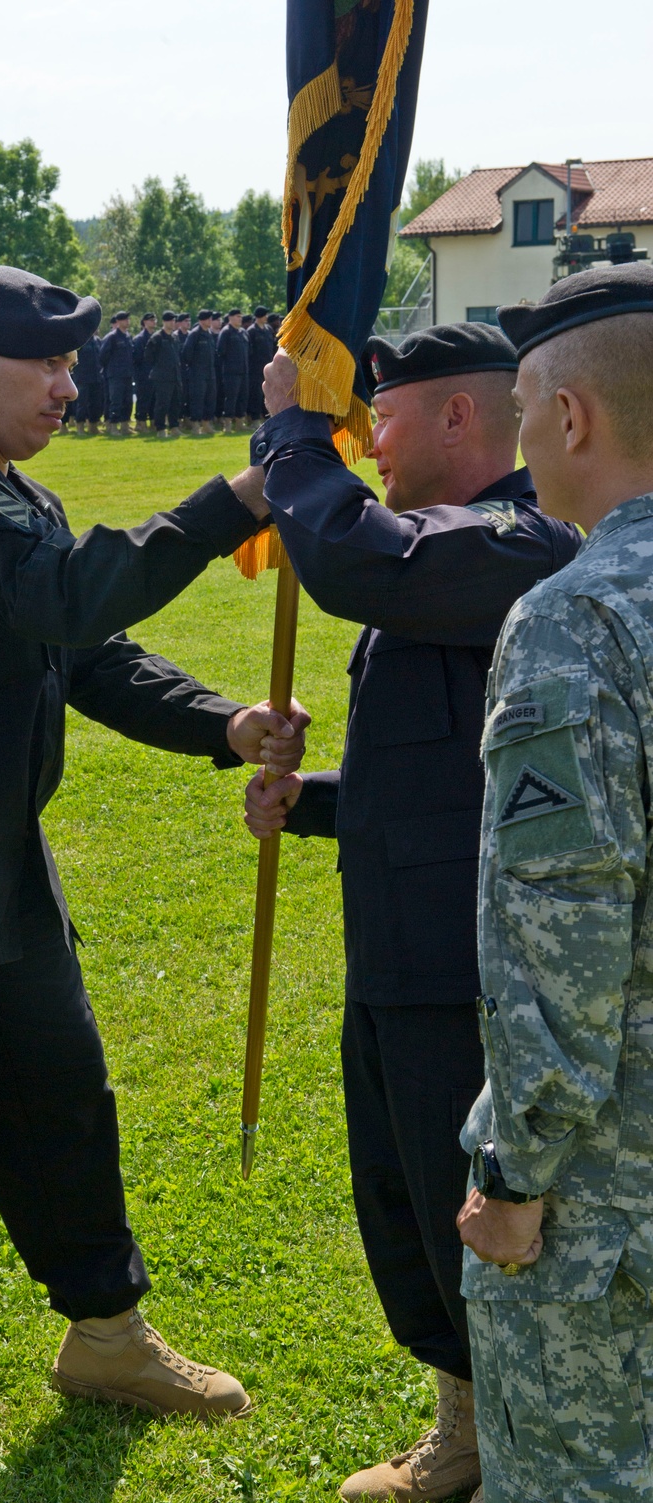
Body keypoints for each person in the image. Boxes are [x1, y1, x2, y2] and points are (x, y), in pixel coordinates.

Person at [0, 264, 310, 1420]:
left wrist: (224, 722)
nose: (71, 387)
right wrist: (235, 499)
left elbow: (84, 655)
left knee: (57, 1093)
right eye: (47, 364)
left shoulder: (3, 485)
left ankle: (106, 1334)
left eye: (75, 363)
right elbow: (71, 599)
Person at [243, 324, 579, 1502]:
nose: (363, 440)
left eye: (379, 416)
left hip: (473, 966)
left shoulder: (525, 540)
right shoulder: (441, 547)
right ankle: (467, 1426)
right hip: (395, 948)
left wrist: (291, 429)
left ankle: (524, 1440)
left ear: (457, 420)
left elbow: (351, 561)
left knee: (479, 1216)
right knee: (405, 1207)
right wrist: (316, 802)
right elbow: (445, 766)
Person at [454, 265, 653, 1503]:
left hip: (611, 1200)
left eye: (523, 407)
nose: (520, 438)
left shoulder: (578, 621)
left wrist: (511, 1176)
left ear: (571, 417)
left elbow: (561, 936)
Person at [143, 309, 183, 438]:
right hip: (162, 377)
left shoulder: (175, 337)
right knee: (162, 404)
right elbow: (148, 357)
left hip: (175, 376)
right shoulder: (157, 337)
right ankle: (160, 428)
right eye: (170, 320)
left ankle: (174, 427)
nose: (173, 323)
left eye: (174, 320)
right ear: (164, 322)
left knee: (175, 403)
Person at [183, 308, 218, 434]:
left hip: (210, 372)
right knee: (197, 399)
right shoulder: (195, 334)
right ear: (202, 320)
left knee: (210, 398)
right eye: (208, 319)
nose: (210, 321)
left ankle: (206, 424)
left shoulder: (208, 334)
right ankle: (196, 425)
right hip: (197, 373)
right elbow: (187, 353)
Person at [99, 310, 133, 435]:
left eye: (128, 319)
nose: (127, 321)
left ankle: (125, 426)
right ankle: (113, 426)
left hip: (127, 374)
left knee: (127, 401)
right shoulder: (112, 337)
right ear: (118, 322)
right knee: (115, 400)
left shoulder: (128, 336)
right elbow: (103, 356)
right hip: (115, 375)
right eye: (124, 319)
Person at [216, 307, 249, 432]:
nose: (240, 319)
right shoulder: (226, 332)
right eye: (237, 316)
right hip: (231, 372)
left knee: (243, 397)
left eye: (241, 317)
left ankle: (240, 423)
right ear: (230, 318)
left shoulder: (243, 332)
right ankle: (228, 424)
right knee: (231, 397)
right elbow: (220, 351)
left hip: (243, 371)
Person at [246, 305, 276, 423]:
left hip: (267, 366)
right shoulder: (252, 331)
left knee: (268, 393)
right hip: (256, 368)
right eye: (264, 315)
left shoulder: (268, 329)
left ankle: (267, 416)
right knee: (256, 393)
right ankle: (255, 418)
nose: (266, 317)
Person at [71, 328, 103, 433]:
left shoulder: (97, 341)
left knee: (96, 403)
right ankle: (80, 426)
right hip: (83, 377)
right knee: (82, 403)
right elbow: (73, 360)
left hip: (96, 377)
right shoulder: (80, 341)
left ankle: (93, 426)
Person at [132, 311, 156, 429]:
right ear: (145, 322)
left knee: (154, 399)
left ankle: (152, 422)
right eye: (151, 320)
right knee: (143, 399)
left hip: (155, 373)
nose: (153, 322)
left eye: (154, 319)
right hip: (143, 374)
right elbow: (137, 358)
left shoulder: (156, 336)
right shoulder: (140, 338)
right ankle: (140, 423)